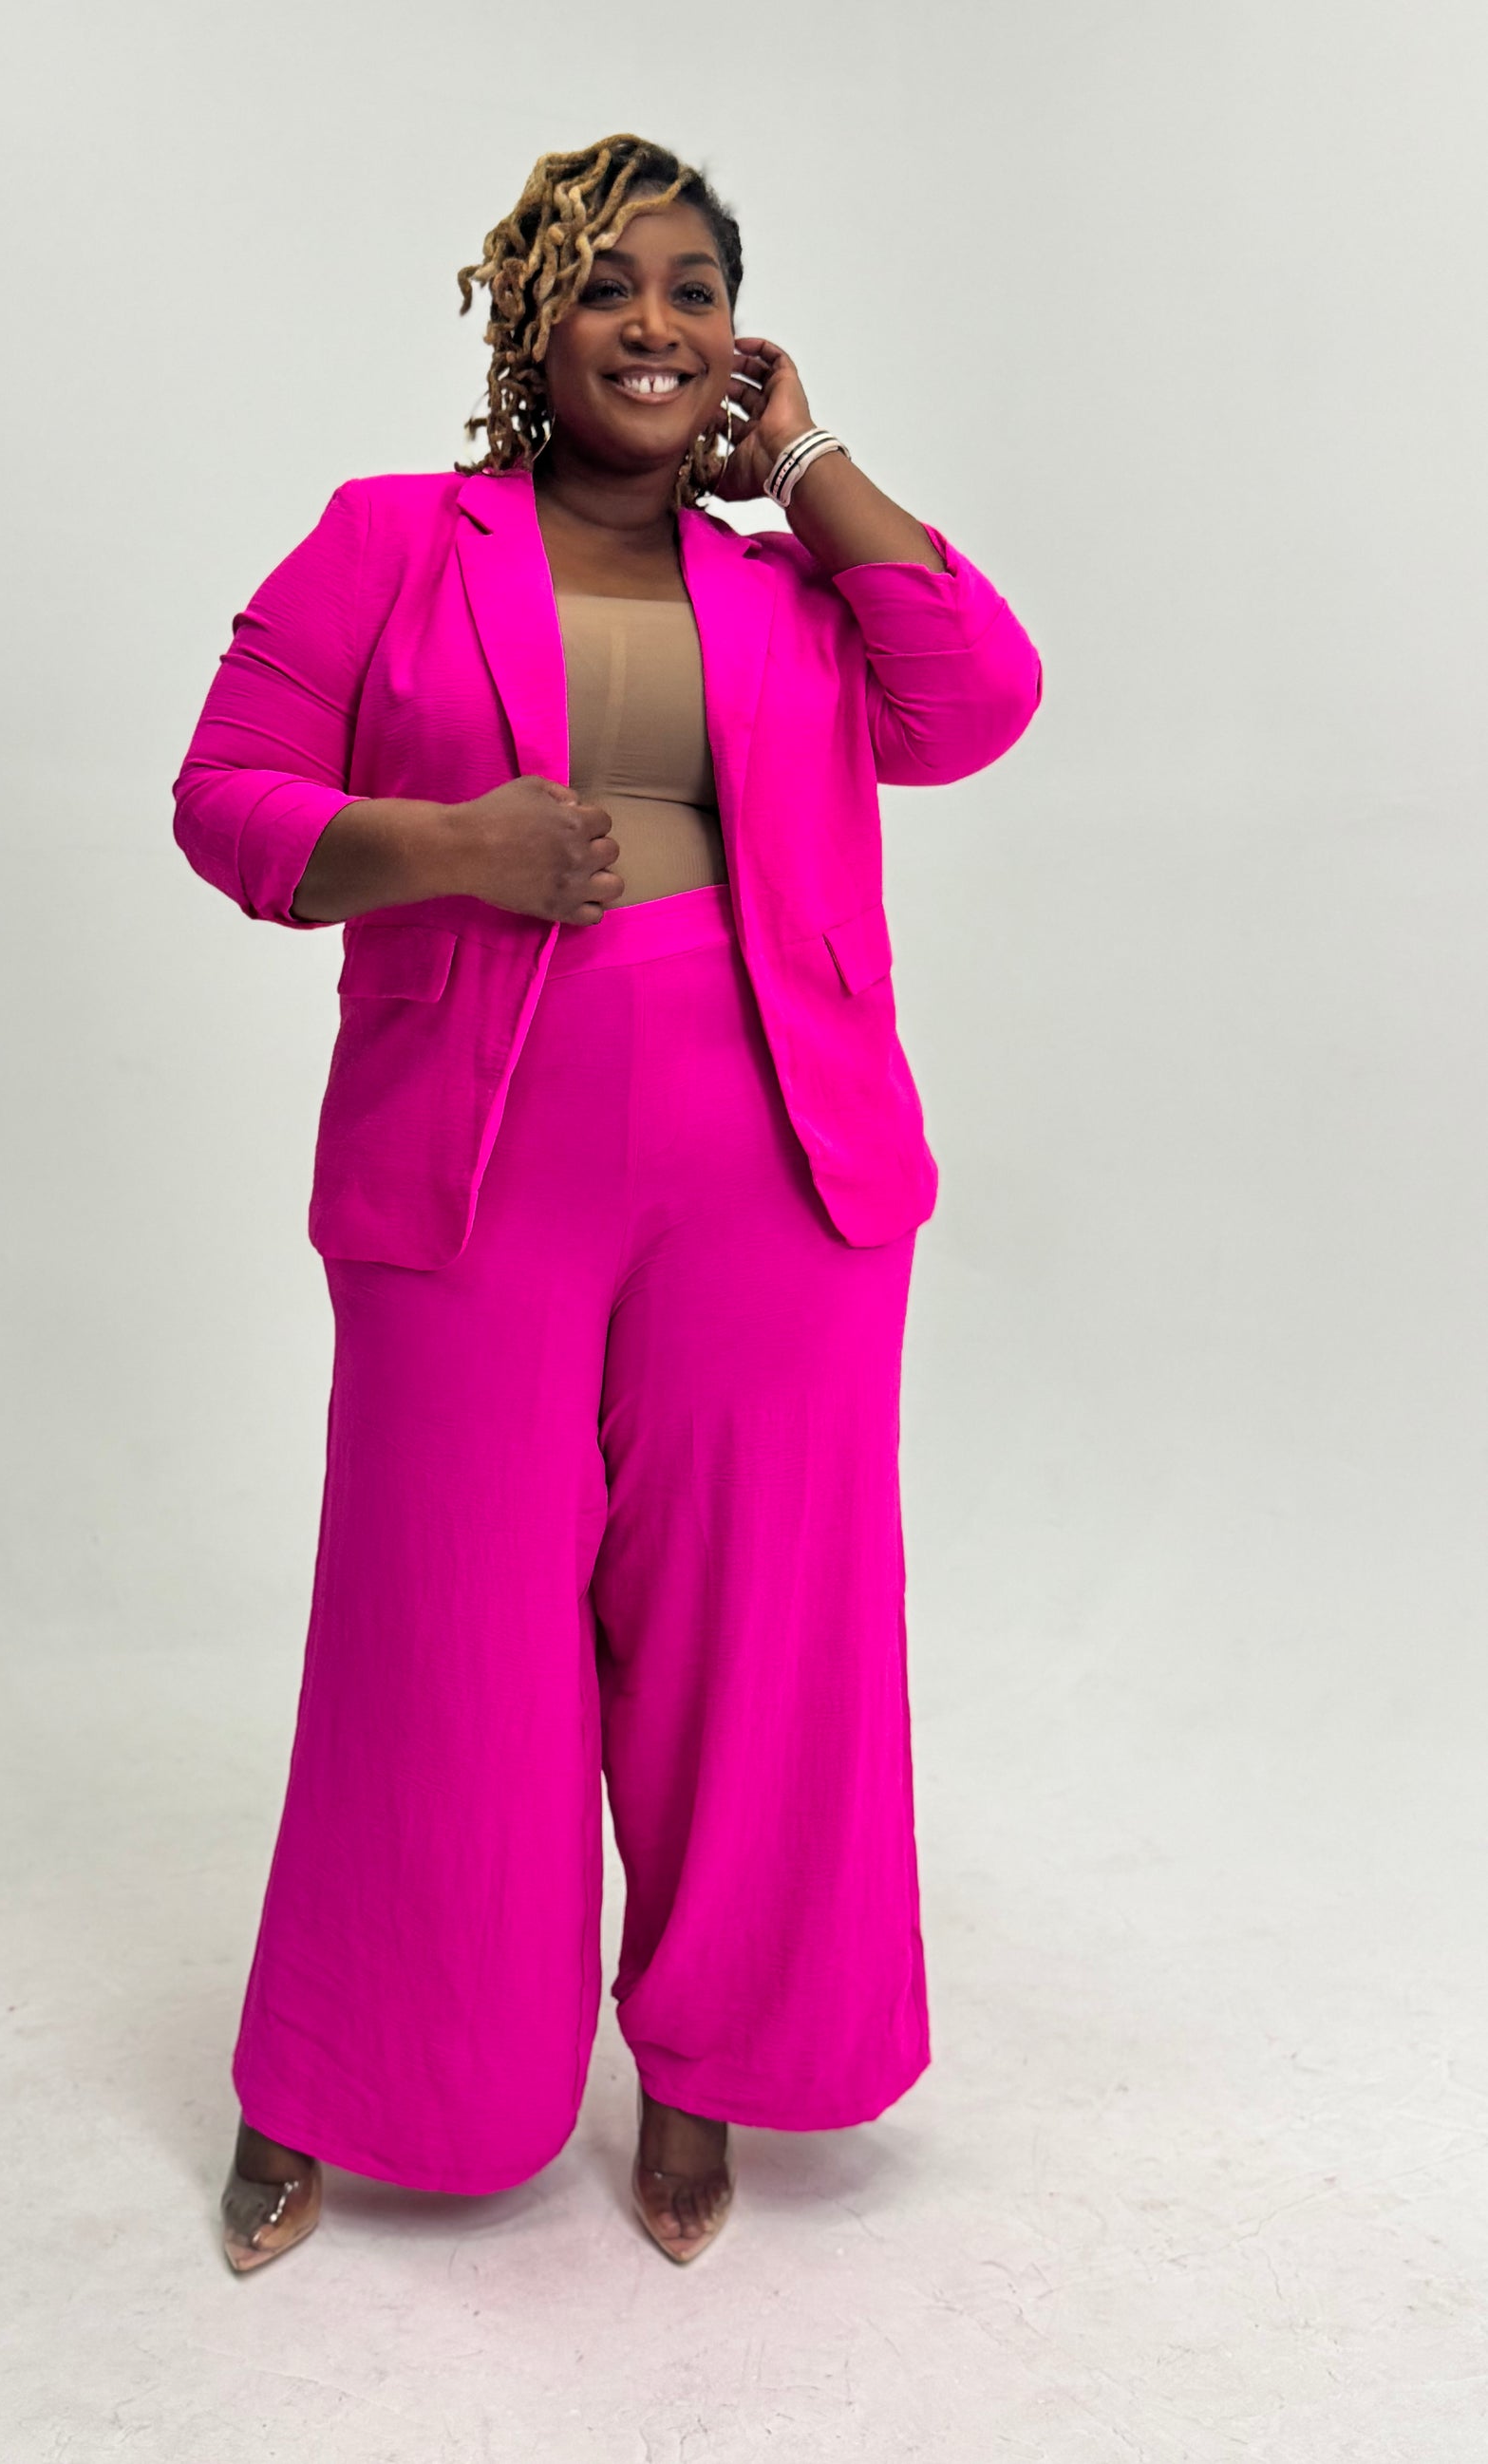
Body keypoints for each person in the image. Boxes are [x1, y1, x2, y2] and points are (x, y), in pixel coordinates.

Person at [171, 134, 1043, 2270]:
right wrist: (449, 847)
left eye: (693, 290)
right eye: (607, 289)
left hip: (778, 1152)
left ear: (735, 332)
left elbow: (981, 698)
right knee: (438, 1611)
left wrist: (812, 453)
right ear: (531, 327)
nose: (651, 325)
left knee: (762, 1628)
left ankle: (709, 2061)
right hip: (476, 1150)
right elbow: (227, 797)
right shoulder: (395, 543)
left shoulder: (795, 583)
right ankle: (347, 2071)